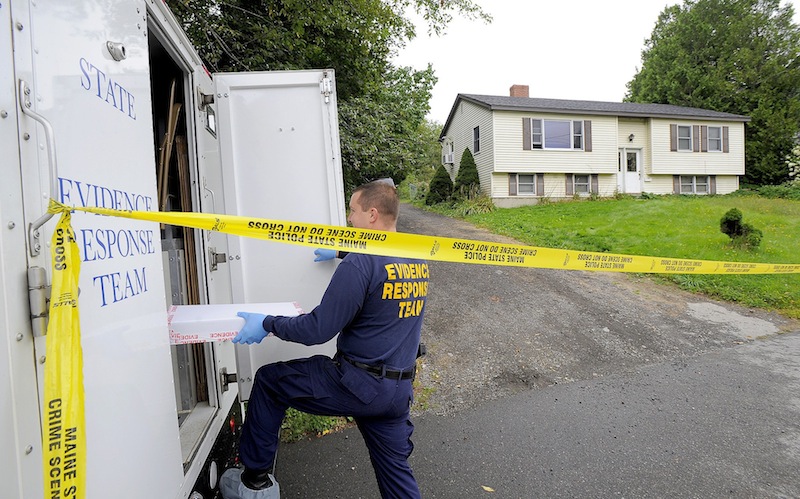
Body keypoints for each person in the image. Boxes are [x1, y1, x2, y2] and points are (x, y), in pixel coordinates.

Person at [220, 180, 429, 499]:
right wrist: (342, 250)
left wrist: (266, 323)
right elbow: (383, 270)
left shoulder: (362, 262)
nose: (349, 220)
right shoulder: (414, 256)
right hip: (398, 391)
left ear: (372, 215)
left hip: (359, 385)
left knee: (269, 382)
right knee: (397, 479)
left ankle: (255, 483)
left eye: (353, 212)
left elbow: (317, 330)